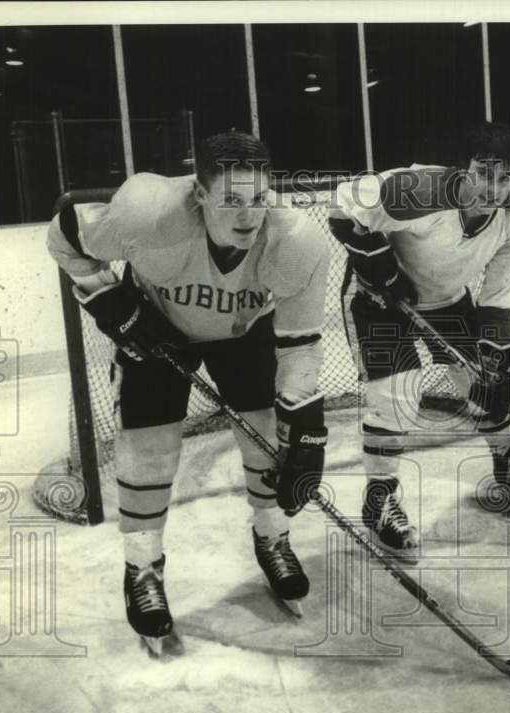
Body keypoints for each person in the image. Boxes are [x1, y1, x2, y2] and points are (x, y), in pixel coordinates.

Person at [47, 131, 330, 656]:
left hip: (245, 334)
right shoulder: (147, 217)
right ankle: (142, 566)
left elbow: (300, 345)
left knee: (267, 435)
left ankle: (272, 536)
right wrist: (107, 296)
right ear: (199, 195)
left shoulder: (297, 241)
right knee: (149, 449)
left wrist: (306, 431)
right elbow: (63, 236)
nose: (247, 216)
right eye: (230, 200)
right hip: (158, 330)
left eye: (258, 200)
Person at [328, 122, 510, 564]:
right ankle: (379, 499)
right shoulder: (416, 189)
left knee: (484, 390)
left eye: (506, 177)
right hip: (380, 301)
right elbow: (341, 205)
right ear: (461, 169)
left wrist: (490, 352)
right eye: (484, 173)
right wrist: (376, 263)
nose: (494, 188)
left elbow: (500, 293)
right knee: (397, 398)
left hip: (448, 300)